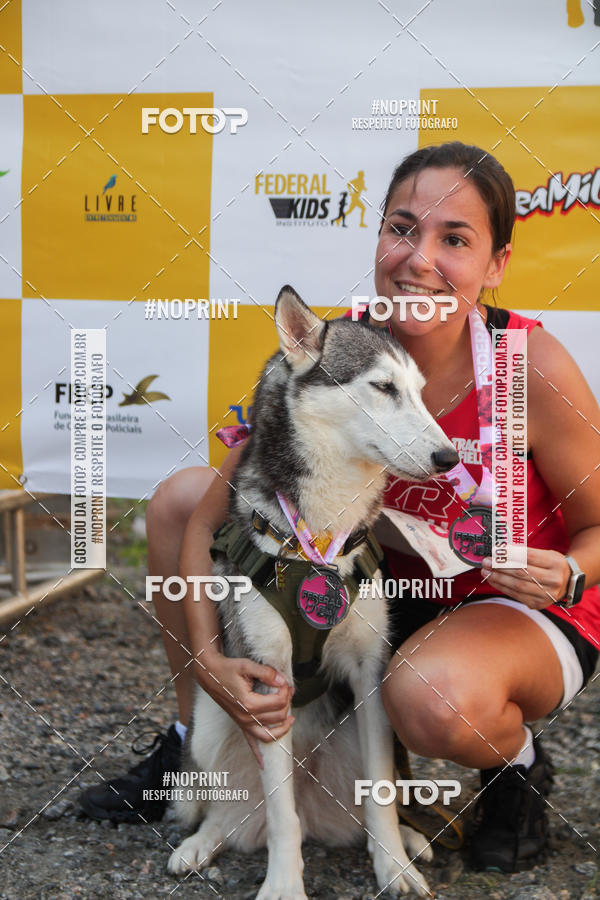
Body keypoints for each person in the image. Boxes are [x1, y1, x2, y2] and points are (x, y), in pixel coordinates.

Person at [79, 142, 600, 874]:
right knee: (176, 499)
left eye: (454, 239)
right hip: (384, 594)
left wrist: (570, 573)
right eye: (402, 228)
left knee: (432, 695)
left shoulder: (529, 366)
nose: (419, 258)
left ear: (497, 265)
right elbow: (205, 516)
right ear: (378, 237)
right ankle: (191, 736)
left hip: (510, 603)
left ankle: (515, 772)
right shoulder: (343, 346)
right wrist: (209, 666)